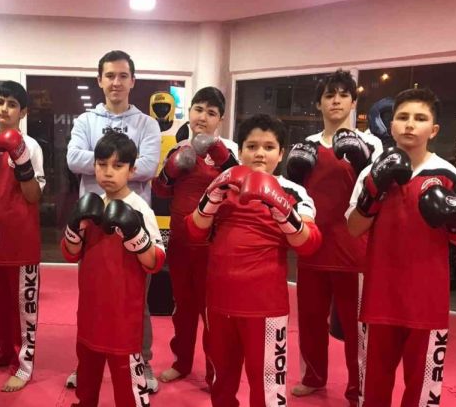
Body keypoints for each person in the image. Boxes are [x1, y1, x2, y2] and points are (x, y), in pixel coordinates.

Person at [346, 88, 456, 407]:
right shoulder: (371, 172)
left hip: (428, 299)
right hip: (380, 295)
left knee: (423, 387)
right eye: (402, 117)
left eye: (420, 118)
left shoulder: (448, 174)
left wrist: (455, 219)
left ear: (434, 129)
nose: (410, 124)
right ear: (391, 126)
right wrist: (373, 194)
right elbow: (354, 228)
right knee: (373, 384)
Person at [187, 114, 323, 407]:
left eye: (269, 147)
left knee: (268, 385)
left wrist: (282, 209)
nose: (260, 153)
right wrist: (212, 197)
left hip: (265, 306)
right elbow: (194, 231)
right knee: (221, 382)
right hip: (219, 301)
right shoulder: (224, 185)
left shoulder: (293, 191)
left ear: (281, 153)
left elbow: (309, 243)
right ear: (240, 150)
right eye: (252, 146)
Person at [66, 50, 161, 391]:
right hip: (91, 218)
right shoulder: (85, 120)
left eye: (122, 76)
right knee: (91, 296)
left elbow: (147, 166)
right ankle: (86, 365)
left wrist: (102, 157)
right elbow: (72, 158)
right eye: (110, 75)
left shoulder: (147, 123)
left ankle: (143, 363)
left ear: (132, 81)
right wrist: (115, 159)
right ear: (100, 80)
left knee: (137, 299)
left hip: (132, 216)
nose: (116, 82)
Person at [285, 70, 382, 405]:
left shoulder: (371, 144)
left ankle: (358, 387)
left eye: (343, 95)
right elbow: (294, 195)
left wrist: (362, 160)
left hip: (352, 249)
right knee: (311, 320)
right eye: (329, 95)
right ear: (319, 103)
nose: (336, 101)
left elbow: (377, 192)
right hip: (313, 246)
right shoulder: (307, 146)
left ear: (353, 102)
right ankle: (313, 377)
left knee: (356, 326)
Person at [61, 131, 165, 407]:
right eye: (102, 164)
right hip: (90, 313)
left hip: (124, 319)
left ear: (132, 170)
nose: (108, 172)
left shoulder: (140, 209)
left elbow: (155, 262)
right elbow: (71, 253)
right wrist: (74, 227)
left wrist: (135, 234)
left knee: (128, 387)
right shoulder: (89, 206)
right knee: (86, 381)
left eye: (117, 166)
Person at [151, 87, 238, 385]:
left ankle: (215, 372)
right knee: (182, 307)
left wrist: (221, 156)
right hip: (180, 242)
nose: (203, 117)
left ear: (220, 119)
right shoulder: (178, 148)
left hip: (212, 245)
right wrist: (171, 170)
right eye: (198, 109)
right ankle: (182, 363)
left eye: (211, 113)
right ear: (189, 112)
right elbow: (161, 192)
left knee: (211, 311)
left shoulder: (229, 151)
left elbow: (240, 188)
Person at [0, 80, 46, 392]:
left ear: (23, 111)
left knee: (21, 310)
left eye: (12, 104)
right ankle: (4, 351)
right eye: (0, 101)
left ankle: (24, 365)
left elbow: (33, 196)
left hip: (21, 241)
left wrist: (20, 159)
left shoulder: (30, 146)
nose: (4, 109)